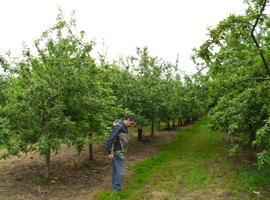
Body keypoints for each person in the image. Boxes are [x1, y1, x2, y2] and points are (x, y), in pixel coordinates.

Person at [105, 115, 136, 191]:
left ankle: (114, 188)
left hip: (119, 151)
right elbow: (110, 139)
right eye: (131, 123)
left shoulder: (123, 127)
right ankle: (117, 189)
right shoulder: (119, 127)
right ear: (128, 120)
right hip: (117, 152)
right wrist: (110, 152)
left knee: (116, 171)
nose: (131, 125)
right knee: (120, 171)